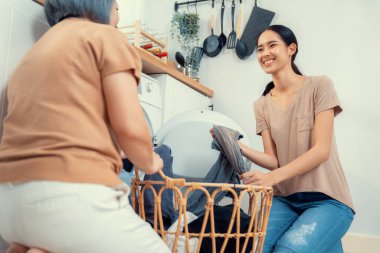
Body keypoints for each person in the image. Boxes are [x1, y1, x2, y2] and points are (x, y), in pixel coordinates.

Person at [0, 0, 170, 252]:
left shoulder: (32, 57)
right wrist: (150, 161)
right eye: (116, 5)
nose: (119, 13)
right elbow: (132, 131)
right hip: (71, 199)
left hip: (9, 205)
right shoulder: (106, 37)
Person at [226, 25, 354, 252]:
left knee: (287, 249)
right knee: (252, 247)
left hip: (327, 199)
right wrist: (237, 146)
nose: (265, 53)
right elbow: (273, 159)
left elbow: (321, 150)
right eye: (260, 49)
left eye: (272, 45)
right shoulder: (261, 104)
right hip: (285, 198)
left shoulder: (319, 86)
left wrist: (270, 178)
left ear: (291, 49)